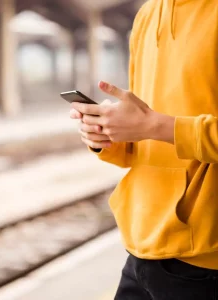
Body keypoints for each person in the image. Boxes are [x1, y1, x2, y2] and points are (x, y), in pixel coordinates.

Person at [69, 0, 218, 299]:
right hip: (142, 245)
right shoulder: (148, 14)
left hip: (207, 257)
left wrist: (153, 126)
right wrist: (107, 136)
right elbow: (148, 130)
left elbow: (156, 125)